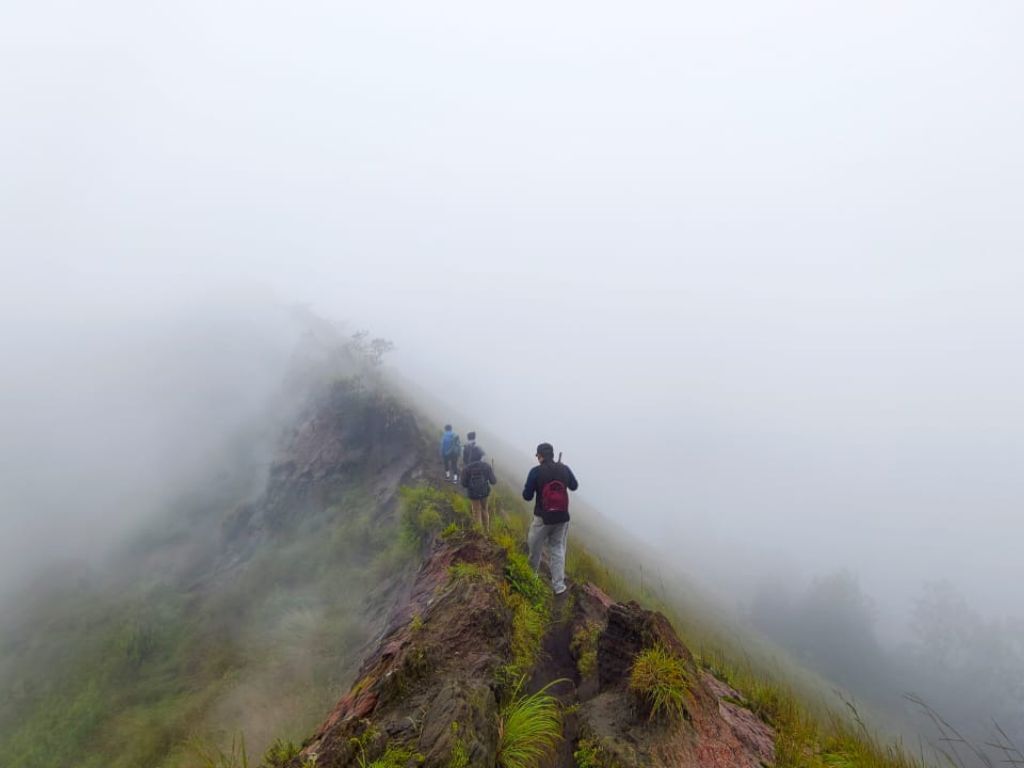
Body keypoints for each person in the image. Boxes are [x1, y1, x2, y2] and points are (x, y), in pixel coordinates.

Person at [522, 442, 578, 595]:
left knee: (535, 548)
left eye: (537, 455)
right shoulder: (564, 469)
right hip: (562, 517)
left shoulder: (535, 472)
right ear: (552, 455)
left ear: (540, 456)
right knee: (557, 549)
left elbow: (527, 496)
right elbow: (574, 486)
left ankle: (531, 578)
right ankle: (559, 586)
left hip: (542, 518)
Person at [461, 444, 497, 531]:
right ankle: (487, 531)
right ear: (480, 456)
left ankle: (479, 533)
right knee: (485, 509)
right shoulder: (486, 466)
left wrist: (470, 485)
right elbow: (493, 481)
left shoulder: (466, 468)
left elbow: (463, 484)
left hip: (473, 494)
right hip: (485, 493)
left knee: (476, 511)